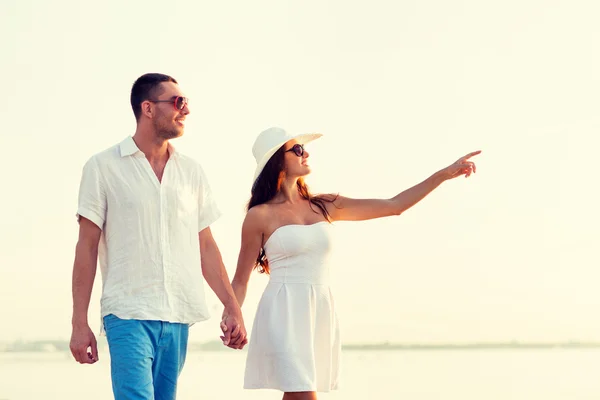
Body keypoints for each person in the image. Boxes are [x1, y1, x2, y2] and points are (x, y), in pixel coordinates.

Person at [229, 126, 480, 400]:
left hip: (318, 310)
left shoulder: (326, 205)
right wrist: (232, 315)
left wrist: (444, 175)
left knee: (299, 393)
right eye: (297, 149)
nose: (306, 153)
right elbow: (241, 279)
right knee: (302, 393)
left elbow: (394, 205)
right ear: (277, 161)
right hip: (283, 311)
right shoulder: (259, 216)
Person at [69, 73, 247, 400]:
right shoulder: (103, 166)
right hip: (128, 313)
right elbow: (87, 247)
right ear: (148, 108)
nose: (186, 110)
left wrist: (232, 306)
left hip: (178, 315)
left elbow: (205, 246)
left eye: (187, 103)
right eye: (178, 102)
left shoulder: (192, 172)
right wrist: (79, 322)